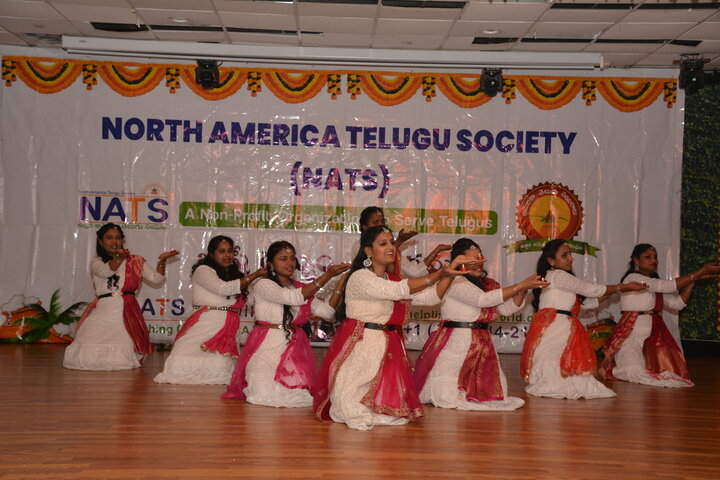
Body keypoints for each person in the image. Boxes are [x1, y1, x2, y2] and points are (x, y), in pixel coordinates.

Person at [314, 225, 475, 430]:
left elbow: (430, 297)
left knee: (391, 416)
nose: (391, 247)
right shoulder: (360, 277)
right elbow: (399, 290)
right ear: (368, 251)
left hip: (387, 345)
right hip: (363, 346)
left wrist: (449, 275)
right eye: (383, 243)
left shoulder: (392, 279)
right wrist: (438, 274)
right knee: (352, 408)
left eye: (391, 242)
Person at [413, 238, 549, 411]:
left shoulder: (486, 285)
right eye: (473, 259)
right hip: (457, 341)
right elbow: (482, 300)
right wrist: (519, 285)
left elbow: (505, 310)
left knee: (496, 394)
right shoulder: (455, 282)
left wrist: (523, 290)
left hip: (482, 341)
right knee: (448, 393)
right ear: (460, 262)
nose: (479, 262)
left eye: (480, 257)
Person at [222, 241, 350, 407]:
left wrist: (340, 283)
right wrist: (328, 275)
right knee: (262, 393)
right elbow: (292, 298)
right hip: (266, 348)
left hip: (291, 350)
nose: (289, 263)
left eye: (291, 258)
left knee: (300, 395)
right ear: (270, 264)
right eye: (283, 258)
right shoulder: (263, 284)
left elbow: (327, 313)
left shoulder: (299, 288)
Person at [519, 239, 647, 399]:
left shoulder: (554, 277)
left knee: (555, 364)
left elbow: (586, 304)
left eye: (570, 254)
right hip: (557, 326)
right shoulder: (558, 275)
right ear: (551, 260)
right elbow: (589, 289)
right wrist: (621, 287)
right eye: (564, 255)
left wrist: (616, 291)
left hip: (559, 325)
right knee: (554, 363)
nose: (571, 258)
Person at [600, 244, 720, 387]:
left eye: (655, 257)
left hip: (653, 334)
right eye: (648, 257)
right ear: (635, 260)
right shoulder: (633, 278)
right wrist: (700, 272)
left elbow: (678, 304)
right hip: (632, 332)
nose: (654, 260)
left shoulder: (653, 284)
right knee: (632, 371)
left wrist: (693, 282)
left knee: (665, 374)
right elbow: (667, 286)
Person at [63, 223, 179, 371]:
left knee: (123, 352)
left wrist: (162, 261)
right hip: (103, 311)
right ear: (100, 241)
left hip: (126, 312)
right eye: (109, 237)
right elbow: (106, 272)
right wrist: (118, 259)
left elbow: (157, 279)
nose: (114, 241)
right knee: (86, 349)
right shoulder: (97, 262)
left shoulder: (136, 261)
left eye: (118, 238)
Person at [154, 236, 266, 385]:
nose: (227, 255)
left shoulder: (234, 275)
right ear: (211, 254)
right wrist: (255, 275)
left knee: (221, 368)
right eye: (221, 251)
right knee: (179, 365)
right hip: (206, 323)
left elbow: (250, 299)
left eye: (230, 251)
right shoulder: (203, 270)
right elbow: (223, 289)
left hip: (228, 326)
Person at [358, 206, 450, 278]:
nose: (381, 225)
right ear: (368, 251)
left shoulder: (393, 282)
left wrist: (437, 250)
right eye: (375, 222)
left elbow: (416, 273)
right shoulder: (359, 250)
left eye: (382, 221)